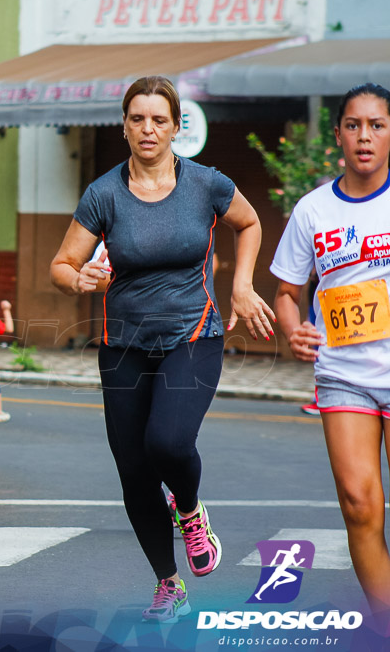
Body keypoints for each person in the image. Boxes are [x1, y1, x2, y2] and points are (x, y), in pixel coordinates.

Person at [49, 75, 274, 624]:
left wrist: (242, 285)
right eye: (136, 119)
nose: (147, 129)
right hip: (123, 343)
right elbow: (61, 264)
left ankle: (192, 511)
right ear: (124, 126)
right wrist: (79, 281)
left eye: (158, 119)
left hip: (193, 334)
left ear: (176, 126)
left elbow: (249, 223)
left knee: (168, 443)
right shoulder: (103, 193)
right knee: (133, 470)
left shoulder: (206, 185)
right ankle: (168, 584)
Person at [271, 83, 390, 627]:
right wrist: (293, 330)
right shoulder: (312, 209)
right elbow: (286, 293)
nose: (365, 136)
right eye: (353, 125)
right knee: (359, 504)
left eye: (377, 125)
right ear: (338, 134)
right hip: (344, 374)